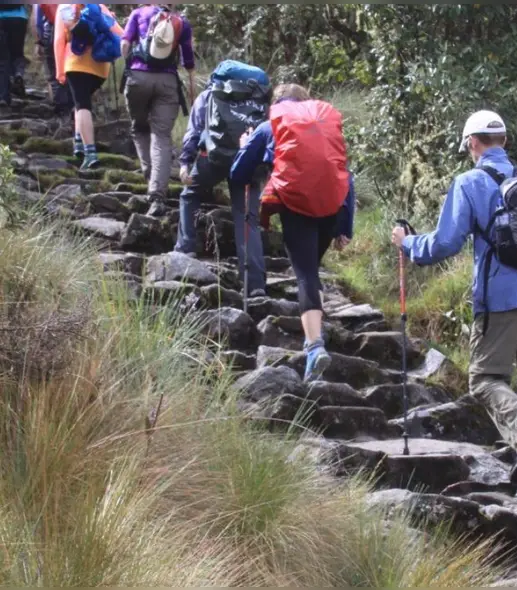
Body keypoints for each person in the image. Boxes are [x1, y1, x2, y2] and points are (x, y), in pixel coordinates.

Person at [391, 110, 517, 504]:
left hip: (501, 299)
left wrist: (407, 243)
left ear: (472, 144)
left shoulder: (469, 182)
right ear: (503, 141)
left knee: (486, 378)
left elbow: (444, 244)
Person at [244, 84, 356, 381]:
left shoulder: (272, 124)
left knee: (305, 273)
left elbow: (240, 166)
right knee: (312, 270)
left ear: (278, 102)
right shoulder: (323, 125)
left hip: (296, 207)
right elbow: (346, 175)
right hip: (331, 208)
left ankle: (315, 346)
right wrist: (346, 226)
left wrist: (246, 146)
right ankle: (313, 335)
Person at [175, 60, 270, 300]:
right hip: (247, 163)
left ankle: (185, 249)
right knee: (247, 217)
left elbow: (194, 132)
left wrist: (186, 162)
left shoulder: (210, 95)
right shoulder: (258, 101)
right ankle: (255, 283)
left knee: (190, 194)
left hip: (212, 159)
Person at [120, 3, 195, 202]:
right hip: (167, 82)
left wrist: (128, 66)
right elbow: (188, 60)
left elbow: (125, 44)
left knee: (139, 127)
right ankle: (157, 193)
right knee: (161, 135)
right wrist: (192, 86)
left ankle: (150, 175)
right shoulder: (181, 22)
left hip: (138, 78)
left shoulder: (138, 13)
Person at [54, 3, 125, 170]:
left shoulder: (65, 8)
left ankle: (90, 153)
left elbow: (58, 40)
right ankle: (78, 143)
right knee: (81, 102)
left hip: (76, 63)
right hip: (100, 67)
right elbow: (122, 35)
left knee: (82, 105)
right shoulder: (100, 7)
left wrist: (59, 70)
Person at [33, 3, 72, 115]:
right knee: (69, 69)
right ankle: (72, 105)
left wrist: (40, 41)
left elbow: (38, 22)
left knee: (53, 72)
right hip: (70, 33)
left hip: (50, 33)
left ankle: (61, 107)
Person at [0, 3, 29, 109]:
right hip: (19, 17)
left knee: (2, 59)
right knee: (17, 52)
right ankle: (18, 74)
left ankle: (3, 96)